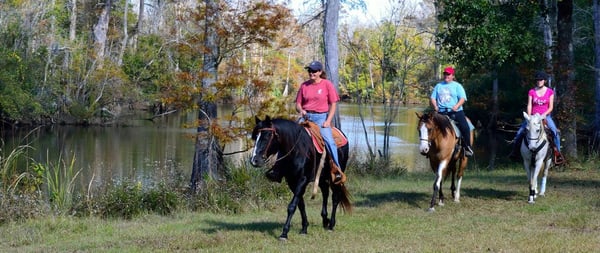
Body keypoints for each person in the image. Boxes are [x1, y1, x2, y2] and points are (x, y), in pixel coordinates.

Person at [265, 60, 346, 184]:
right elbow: (298, 104)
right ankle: (277, 170)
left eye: (314, 71)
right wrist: (301, 110)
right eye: (309, 71)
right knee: (286, 138)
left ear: (320, 72)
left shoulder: (326, 84)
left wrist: (328, 121)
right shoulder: (304, 86)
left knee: (329, 140)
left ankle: (336, 170)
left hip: (321, 118)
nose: (311, 73)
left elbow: (333, 104)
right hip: (306, 117)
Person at [508, 71, 565, 164]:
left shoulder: (550, 92)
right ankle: (515, 152)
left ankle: (557, 154)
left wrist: (544, 115)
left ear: (545, 81)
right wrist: (529, 117)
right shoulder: (531, 92)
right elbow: (529, 105)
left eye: (541, 80)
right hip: (533, 117)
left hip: (545, 117)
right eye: (537, 80)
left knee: (555, 132)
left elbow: (551, 107)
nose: (539, 81)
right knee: (519, 133)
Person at [430, 66, 474, 157]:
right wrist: (435, 106)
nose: (446, 76)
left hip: (455, 112)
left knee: (465, 127)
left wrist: (456, 106)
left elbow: (463, 98)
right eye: (445, 74)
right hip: (441, 112)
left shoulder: (457, 86)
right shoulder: (438, 86)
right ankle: (428, 147)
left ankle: (467, 147)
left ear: (453, 76)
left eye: (448, 74)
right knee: (428, 125)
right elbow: (433, 98)